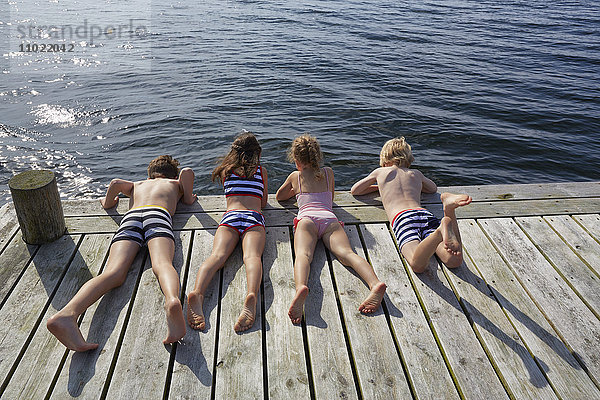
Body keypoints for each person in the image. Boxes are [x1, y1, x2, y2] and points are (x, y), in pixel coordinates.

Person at [47, 155, 196, 351]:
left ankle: (67, 314)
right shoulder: (173, 183)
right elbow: (187, 174)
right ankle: (172, 300)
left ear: (150, 175)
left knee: (113, 273)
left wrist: (108, 202)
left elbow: (115, 182)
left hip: (131, 218)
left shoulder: (137, 184)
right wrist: (188, 195)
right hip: (158, 214)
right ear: (171, 174)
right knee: (162, 264)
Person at [276, 134, 387, 324]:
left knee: (303, 256)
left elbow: (280, 197)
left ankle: (301, 287)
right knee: (348, 254)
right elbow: (331, 197)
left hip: (307, 220)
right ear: (317, 156)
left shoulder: (296, 176)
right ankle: (375, 283)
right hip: (330, 220)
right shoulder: (328, 173)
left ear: (296, 161)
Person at [351, 137, 472, 273]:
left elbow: (356, 190)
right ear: (408, 158)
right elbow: (432, 188)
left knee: (417, 264)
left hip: (403, 218)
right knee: (453, 261)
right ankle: (449, 211)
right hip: (425, 214)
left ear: (384, 158)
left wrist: (381, 187)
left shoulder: (380, 172)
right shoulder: (416, 174)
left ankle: (439, 232)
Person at [187, 132, 268, 332]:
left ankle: (197, 292)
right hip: (253, 217)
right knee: (252, 257)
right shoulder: (261, 171)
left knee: (217, 256)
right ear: (256, 152)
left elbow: (228, 196)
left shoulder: (226, 171)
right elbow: (263, 202)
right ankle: (251, 295)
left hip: (230, 218)